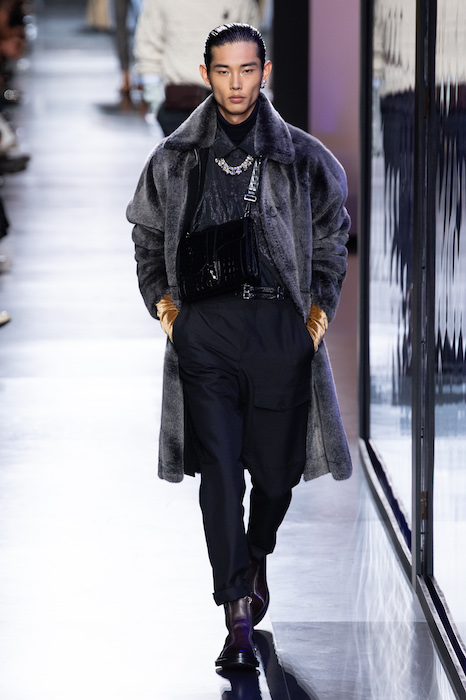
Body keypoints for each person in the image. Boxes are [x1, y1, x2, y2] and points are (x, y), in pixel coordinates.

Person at [127, 23, 352, 671]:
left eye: (247, 70)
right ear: (206, 74)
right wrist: (169, 313)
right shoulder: (174, 157)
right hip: (206, 334)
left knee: (276, 477)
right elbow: (145, 235)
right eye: (223, 71)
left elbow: (333, 236)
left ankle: (256, 555)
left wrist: (315, 317)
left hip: (279, 331)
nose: (235, 83)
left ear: (265, 72)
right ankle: (236, 615)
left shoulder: (303, 157)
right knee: (221, 472)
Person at [133, 0, 259, 135]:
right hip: (178, 105)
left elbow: (250, 51)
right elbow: (148, 45)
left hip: (223, 104)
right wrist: (155, 99)